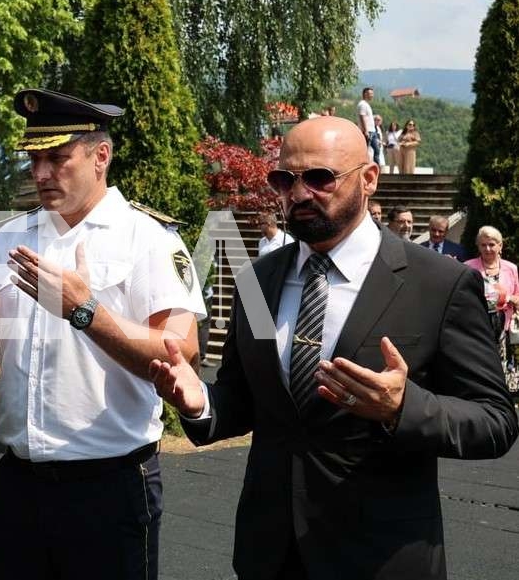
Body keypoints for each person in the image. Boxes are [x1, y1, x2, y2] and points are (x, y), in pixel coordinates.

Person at [149, 116, 518, 580]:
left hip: (382, 557)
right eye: (284, 180)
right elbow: (247, 397)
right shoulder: (258, 283)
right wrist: (200, 402)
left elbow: (494, 421)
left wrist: (401, 408)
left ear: (369, 179)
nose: (299, 194)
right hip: (272, 555)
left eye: (320, 177)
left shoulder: (438, 284)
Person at [0, 88, 205, 580]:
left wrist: (85, 311)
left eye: (57, 158)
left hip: (109, 484)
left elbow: (183, 354)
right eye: (34, 159)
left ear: (101, 156)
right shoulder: (11, 237)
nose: (40, 173)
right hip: (20, 485)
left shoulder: (147, 238)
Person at [464, 226, 519, 350]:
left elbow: (518, 299)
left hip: (504, 328)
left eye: (491, 244)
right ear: (478, 246)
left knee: (502, 361)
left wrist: (506, 297)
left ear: (500, 246)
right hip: (476, 326)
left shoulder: (511, 268)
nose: (487, 249)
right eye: (483, 245)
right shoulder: (468, 267)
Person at [356, 87, 381, 165]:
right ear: (365, 94)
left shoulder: (366, 104)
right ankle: (362, 166)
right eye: (370, 94)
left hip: (372, 131)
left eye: (372, 94)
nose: (372, 95)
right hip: (368, 131)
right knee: (365, 150)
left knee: (377, 150)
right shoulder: (362, 104)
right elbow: (362, 117)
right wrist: (366, 130)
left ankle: (377, 167)